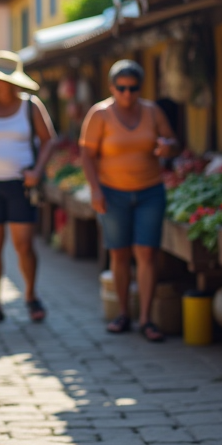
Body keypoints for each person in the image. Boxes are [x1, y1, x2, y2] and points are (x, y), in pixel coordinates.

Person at [79, 59, 179, 343]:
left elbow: (173, 143)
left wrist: (168, 147)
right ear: (112, 87)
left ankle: (146, 318)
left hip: (149, 191)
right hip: (112, 192)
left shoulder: (152, 112)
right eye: (121, 88)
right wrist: (95, 190)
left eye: (132, 88)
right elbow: (86, 154)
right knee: (119, 253)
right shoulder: (99, 114)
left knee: (147, 254)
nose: (127, 94)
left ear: (140, 88)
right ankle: (123, 312)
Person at [0, 51, 57, 323]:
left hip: (21, 185)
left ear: (15, 82)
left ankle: (30, 295)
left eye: (3, 80)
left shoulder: (31, 106)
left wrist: (37, 171)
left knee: (24, 244)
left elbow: (49, 140)